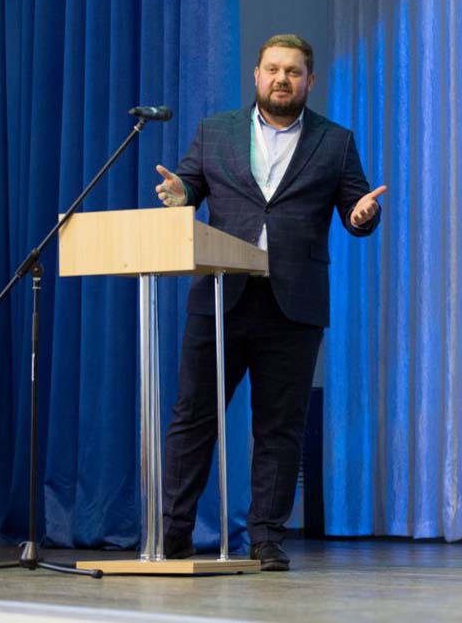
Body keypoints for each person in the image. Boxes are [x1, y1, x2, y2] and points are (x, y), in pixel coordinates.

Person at [153, 34, 385, 571]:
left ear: (310, 81)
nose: (283, 79)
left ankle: (266, 538)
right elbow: (188, 187)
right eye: (274, 69)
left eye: (294, 71)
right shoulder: (216, 132)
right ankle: (174, 532)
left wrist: (362, 217)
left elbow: (356, 207)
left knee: (280, 425)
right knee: (193, 418)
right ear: (256, 75)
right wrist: (180, 195)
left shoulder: (335, 141)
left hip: (293, 303)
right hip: (221, 296)